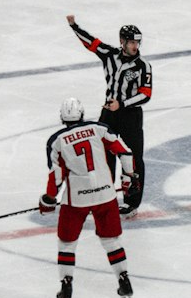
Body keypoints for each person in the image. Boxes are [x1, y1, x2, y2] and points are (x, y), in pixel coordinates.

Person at [39, 96, 134, 298]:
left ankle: (66, 285)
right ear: (82, 114)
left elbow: (57, 175)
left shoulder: (56, 141)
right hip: (105, 195)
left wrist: (49, 199)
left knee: (67, 242)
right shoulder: (100, 129)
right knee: (111, 241)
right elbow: (125, 153)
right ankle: (124, 280)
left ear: (62, 118)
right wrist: (128, 179)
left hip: (77, 200)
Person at [65, 14, 152, 212]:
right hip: (109, 115)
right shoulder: (110, 55)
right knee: (104, 155)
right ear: (122, 41)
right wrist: (74, 26)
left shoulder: (143, 66)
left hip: (131, 116)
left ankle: (132, 202)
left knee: (133, 157)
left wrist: (122, 104)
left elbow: (146, 94)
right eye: (131, 42)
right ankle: (105, 196)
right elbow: (92, 43)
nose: (135, 46)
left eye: (137, 42)